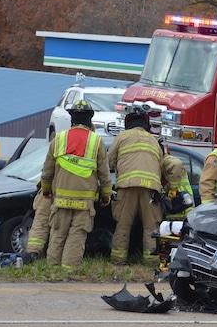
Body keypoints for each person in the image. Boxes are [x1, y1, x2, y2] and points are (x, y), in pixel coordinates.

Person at [41, 100, 112, 269]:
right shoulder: (96, 141)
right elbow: (104, 174)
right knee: (76, 235)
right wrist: (105, 196)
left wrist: (46, 190)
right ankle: (69, 270)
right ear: (90, 120)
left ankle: (52, 269)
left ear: (72, 119)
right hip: (84, 202)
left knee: (58, 233)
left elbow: (47, 170)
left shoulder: (59, 138)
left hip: (60, 201)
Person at [107, 107, 163, 264]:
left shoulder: (121, 137)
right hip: (151, 189)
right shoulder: (153, 140)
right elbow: (161, 164)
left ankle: (118, 261)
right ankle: (151, 262)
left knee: (123, 225)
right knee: (151, 227)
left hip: (127, 186)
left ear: (128, 123)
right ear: (146, 125)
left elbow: (109, 162)